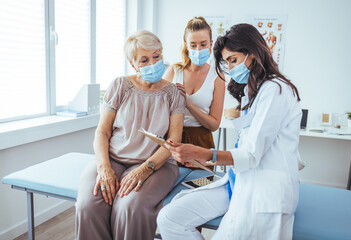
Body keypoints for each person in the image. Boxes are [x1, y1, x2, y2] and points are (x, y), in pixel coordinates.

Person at [157, 23, 302, 240]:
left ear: (252, 52)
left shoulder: (275, 90)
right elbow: (245, 146)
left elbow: (252, 154)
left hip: (263, 192)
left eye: (233, 60)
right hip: (238, 181)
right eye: (227, 63)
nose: (231, 68)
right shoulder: (253, 92)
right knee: (169, 218)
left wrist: (204, 154)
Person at [75, 30, 185, 240]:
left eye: (156, 56)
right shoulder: (120, 86)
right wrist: (104, 168)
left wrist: (144, 169)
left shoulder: (173, 94)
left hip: (156, 165)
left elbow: (173, 142)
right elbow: (102, 131)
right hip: (113, 159)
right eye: (144, 60)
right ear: (133, 64)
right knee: (88, 204)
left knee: (129, 207)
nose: (153, 63)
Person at [163, 17, 225, 170]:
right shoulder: (174, 71)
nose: (198, 49)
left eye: (203, 44)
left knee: (199, 187)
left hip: (201, 143)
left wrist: (189, 105)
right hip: (171, 139)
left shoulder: (217, 76)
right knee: (168, 188)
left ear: (210, 44)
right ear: (186, 46)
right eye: (193, 45)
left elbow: (214, 125)